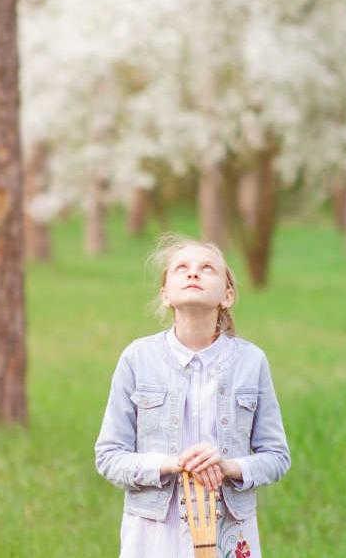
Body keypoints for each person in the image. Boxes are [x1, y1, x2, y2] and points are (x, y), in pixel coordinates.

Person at [94, 234, 291, 557]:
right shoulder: (137, 358)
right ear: (165, 294)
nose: (193, 273)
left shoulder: (251, 361)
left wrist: (228, 466)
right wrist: (172, 464)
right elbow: (109, 456)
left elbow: (277, 457)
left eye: (207, 268)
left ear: (227, 296)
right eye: (181, 268)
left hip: (229, 528)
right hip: (154, 531)